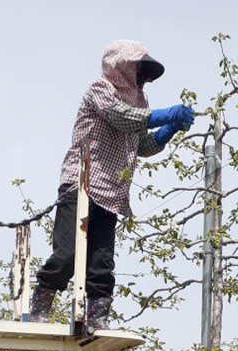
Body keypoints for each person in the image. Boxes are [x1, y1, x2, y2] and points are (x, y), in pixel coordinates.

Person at [28, 40, 194, 331]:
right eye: (137, 66)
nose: (141, 74)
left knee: (101, 264)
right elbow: (120, 117)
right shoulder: (99, 89)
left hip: (111, 193)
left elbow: (142, 145)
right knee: (67, 254)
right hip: (80, 183)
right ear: (122, 64)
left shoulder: (140, 102)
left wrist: (169, 130)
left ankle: (98, 317)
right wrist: (165, 116)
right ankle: (41, 302)